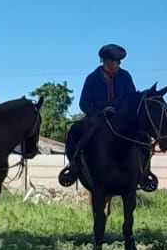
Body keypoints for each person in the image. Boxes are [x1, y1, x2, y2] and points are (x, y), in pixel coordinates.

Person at [58, 44, 154, 190]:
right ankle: (74, 167)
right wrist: (99, 111)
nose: (118, 64)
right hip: (98, 118)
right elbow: (83, 103)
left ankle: (145, 172)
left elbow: (132, 99)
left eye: (119, 62)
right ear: (105, 61)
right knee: (75, 132)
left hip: (122, 118)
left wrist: (120, 110)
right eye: (115, 61)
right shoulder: (92, 78)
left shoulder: (125, 76)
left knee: (144, 137)